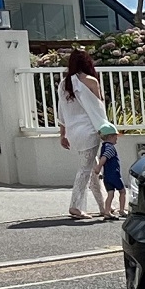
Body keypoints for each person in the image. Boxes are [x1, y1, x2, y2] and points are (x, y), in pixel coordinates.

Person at [57, 48, 112, 219]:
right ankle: (76, 206)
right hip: (89, 131)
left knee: (92, 168)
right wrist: (106, 129)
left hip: (74, 132)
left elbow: (61, 111)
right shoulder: (90, 81)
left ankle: (104, 207)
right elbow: (99, 107)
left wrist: (62, 134)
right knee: (86, 170)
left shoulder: (63, 83)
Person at [98, 127, 127, 217]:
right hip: (114, 175)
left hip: (107, 176)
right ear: (110, 137)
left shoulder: (103, 147)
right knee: (122, 191)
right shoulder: (110, 147)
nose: (116, 139)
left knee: (110, 193)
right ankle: (122, 210)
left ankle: (107, 212)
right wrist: (98, 167)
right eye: (115, 137)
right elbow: (104, 157)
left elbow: (102, 157)